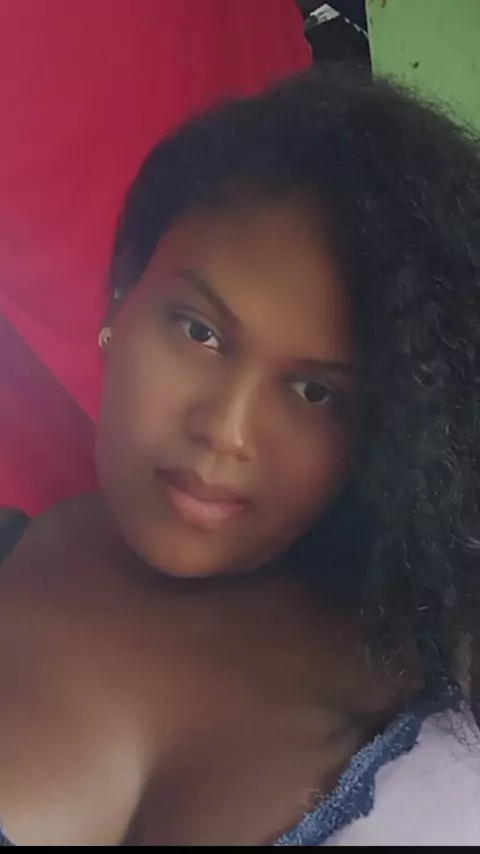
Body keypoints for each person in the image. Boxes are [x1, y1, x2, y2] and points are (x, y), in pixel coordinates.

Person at [0, 65, 479, 846]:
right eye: (200, 331)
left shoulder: (444, 651)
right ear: (123, 295)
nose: (226, 431)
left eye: (315, 393)